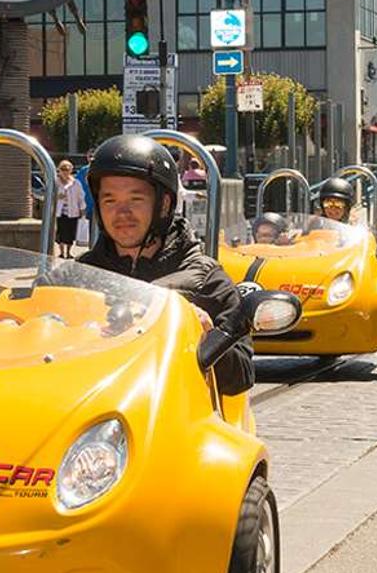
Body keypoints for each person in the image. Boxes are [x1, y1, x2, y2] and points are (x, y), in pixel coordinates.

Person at [77, 134, 253, 397]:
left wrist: (208, 336)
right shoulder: (78, 275)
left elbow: (242, 377)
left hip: (172, 416)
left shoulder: (206, 280)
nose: (122, 213)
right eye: (110, 200)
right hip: (89, 416)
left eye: (135, 200)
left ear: (164, 204)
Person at [53, 159, 86, 259]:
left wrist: (82, 209)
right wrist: (57, 196)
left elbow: (81, 197)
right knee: (61, 232)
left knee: (71, 233)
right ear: (59, 170)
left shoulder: (76, 183)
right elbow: (50, 194)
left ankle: (69, 252)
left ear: (71, 170)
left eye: (67, 169)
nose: (65, 171)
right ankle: (62, 252)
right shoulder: (56, 183)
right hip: (60, 212)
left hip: (73, 211)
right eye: (63, 169)